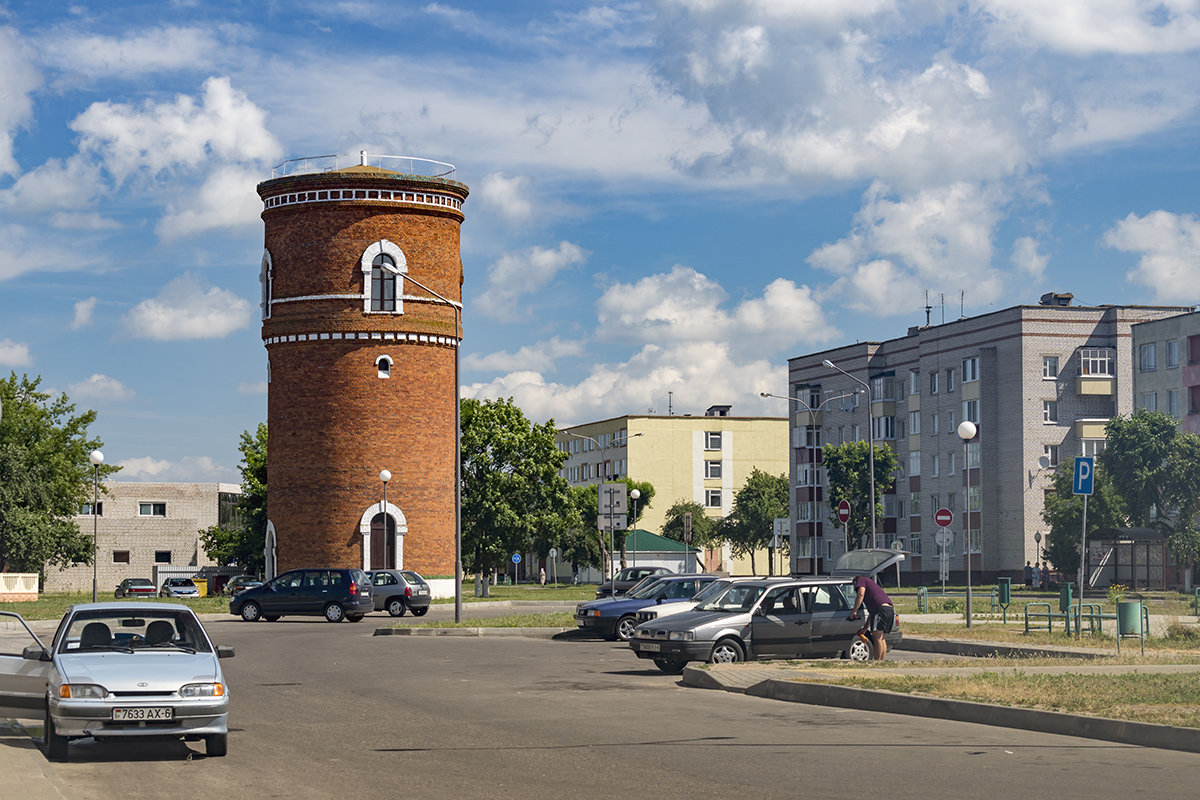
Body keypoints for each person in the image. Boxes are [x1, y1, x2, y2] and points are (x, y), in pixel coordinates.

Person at [848, 574, 895, 661]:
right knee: (881, 637)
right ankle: (882, 662)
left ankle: (876, 662)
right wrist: (865, 628)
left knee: (877, 637)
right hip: (889, 610)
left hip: (880, 610)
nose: (856, 588)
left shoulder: (861, 580)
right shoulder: (872, 589)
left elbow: (860, 594)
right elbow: (872, 614)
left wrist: (854, 611)